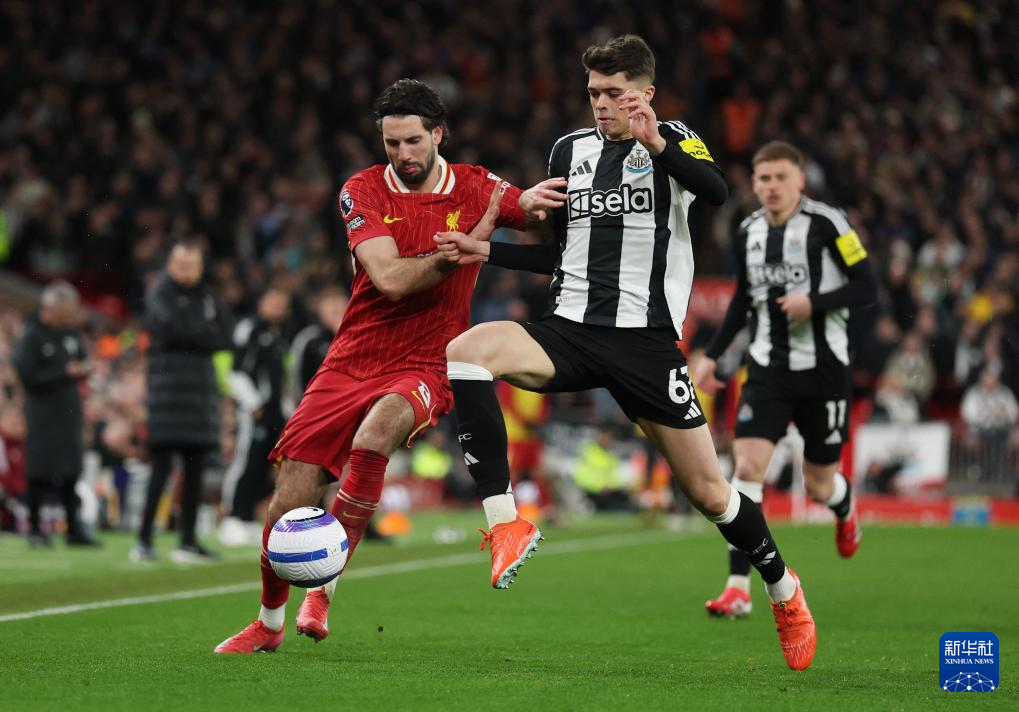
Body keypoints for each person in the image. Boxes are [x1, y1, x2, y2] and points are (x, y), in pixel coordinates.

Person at [435, 35, 817, 670]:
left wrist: (656, 143)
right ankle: (506, 523)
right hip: (570, 329)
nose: (602, 104)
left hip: (645, 344)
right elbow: (563, 254)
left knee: (711, 493)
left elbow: (717, 192)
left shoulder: (676, 139)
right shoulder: (569, 150)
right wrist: (487, 250)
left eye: (614, 93)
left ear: (645, 93)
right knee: (467, 351)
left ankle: (783, 589)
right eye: (594, 93)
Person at [214, 78, 553, 654]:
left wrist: (550, 201)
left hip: (428, 359)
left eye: (413, 140)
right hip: (352, 358)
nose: (403, 153)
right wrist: (471, 239)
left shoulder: (478, 186)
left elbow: (538, 213)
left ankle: (323, 590)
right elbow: (391, 280)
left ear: (438, 133)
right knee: (287, 502)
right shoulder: (362, 189)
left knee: (375, 437)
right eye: (392, 143)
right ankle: (268, 624)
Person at [690, 141, 876, 620]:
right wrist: (713, 357)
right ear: (753, 183)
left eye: (780, 178)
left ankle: (844, 505)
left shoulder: (829, 223)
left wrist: (815, 301)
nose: (772, 187)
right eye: (764, 178)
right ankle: (738, 587)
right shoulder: (747, 231)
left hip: (824, 372)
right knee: (747, 469)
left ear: (800, 181)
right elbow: (742, 301)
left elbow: (866, 287)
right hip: (767, 370)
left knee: (818, 484)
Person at [133, 239, 233, 563]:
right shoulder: (159, 293)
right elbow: (175, 329)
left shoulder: (208, 296)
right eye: (181, 264)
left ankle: (188, 541)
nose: (187, 271)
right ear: (170, 265)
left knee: (195, 473)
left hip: (200, 398)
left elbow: (226, 335)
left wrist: (196, 335)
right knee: (160, 471)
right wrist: (203, 335)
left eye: (193, 265)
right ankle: (144, 540)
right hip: (167, 397)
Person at [11, 281, 97, 547]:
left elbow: (81, 360)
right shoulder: (31, 335)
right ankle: (36, 529)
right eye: (65, 310)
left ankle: (74, 529)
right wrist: (64, 373)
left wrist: (85, 369)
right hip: (42, 413)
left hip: (69, 411)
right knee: (40, 470)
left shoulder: (70, 335)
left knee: (71, 469)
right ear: (50, 307)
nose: (69, 315)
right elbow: (27, 375)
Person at [218, 286, 292, 546]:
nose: (278, 308)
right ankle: (231, 517)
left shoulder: (277, 335)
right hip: (255, 410)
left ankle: (247, 517)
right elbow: (237, 370)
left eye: (282, 304)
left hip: (274, 412)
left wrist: (286, 410)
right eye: (273, 302)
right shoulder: (250, 328)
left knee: (263, 466)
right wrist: (251, 402)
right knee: (246, 462)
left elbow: (279, 379)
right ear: (261, 303)